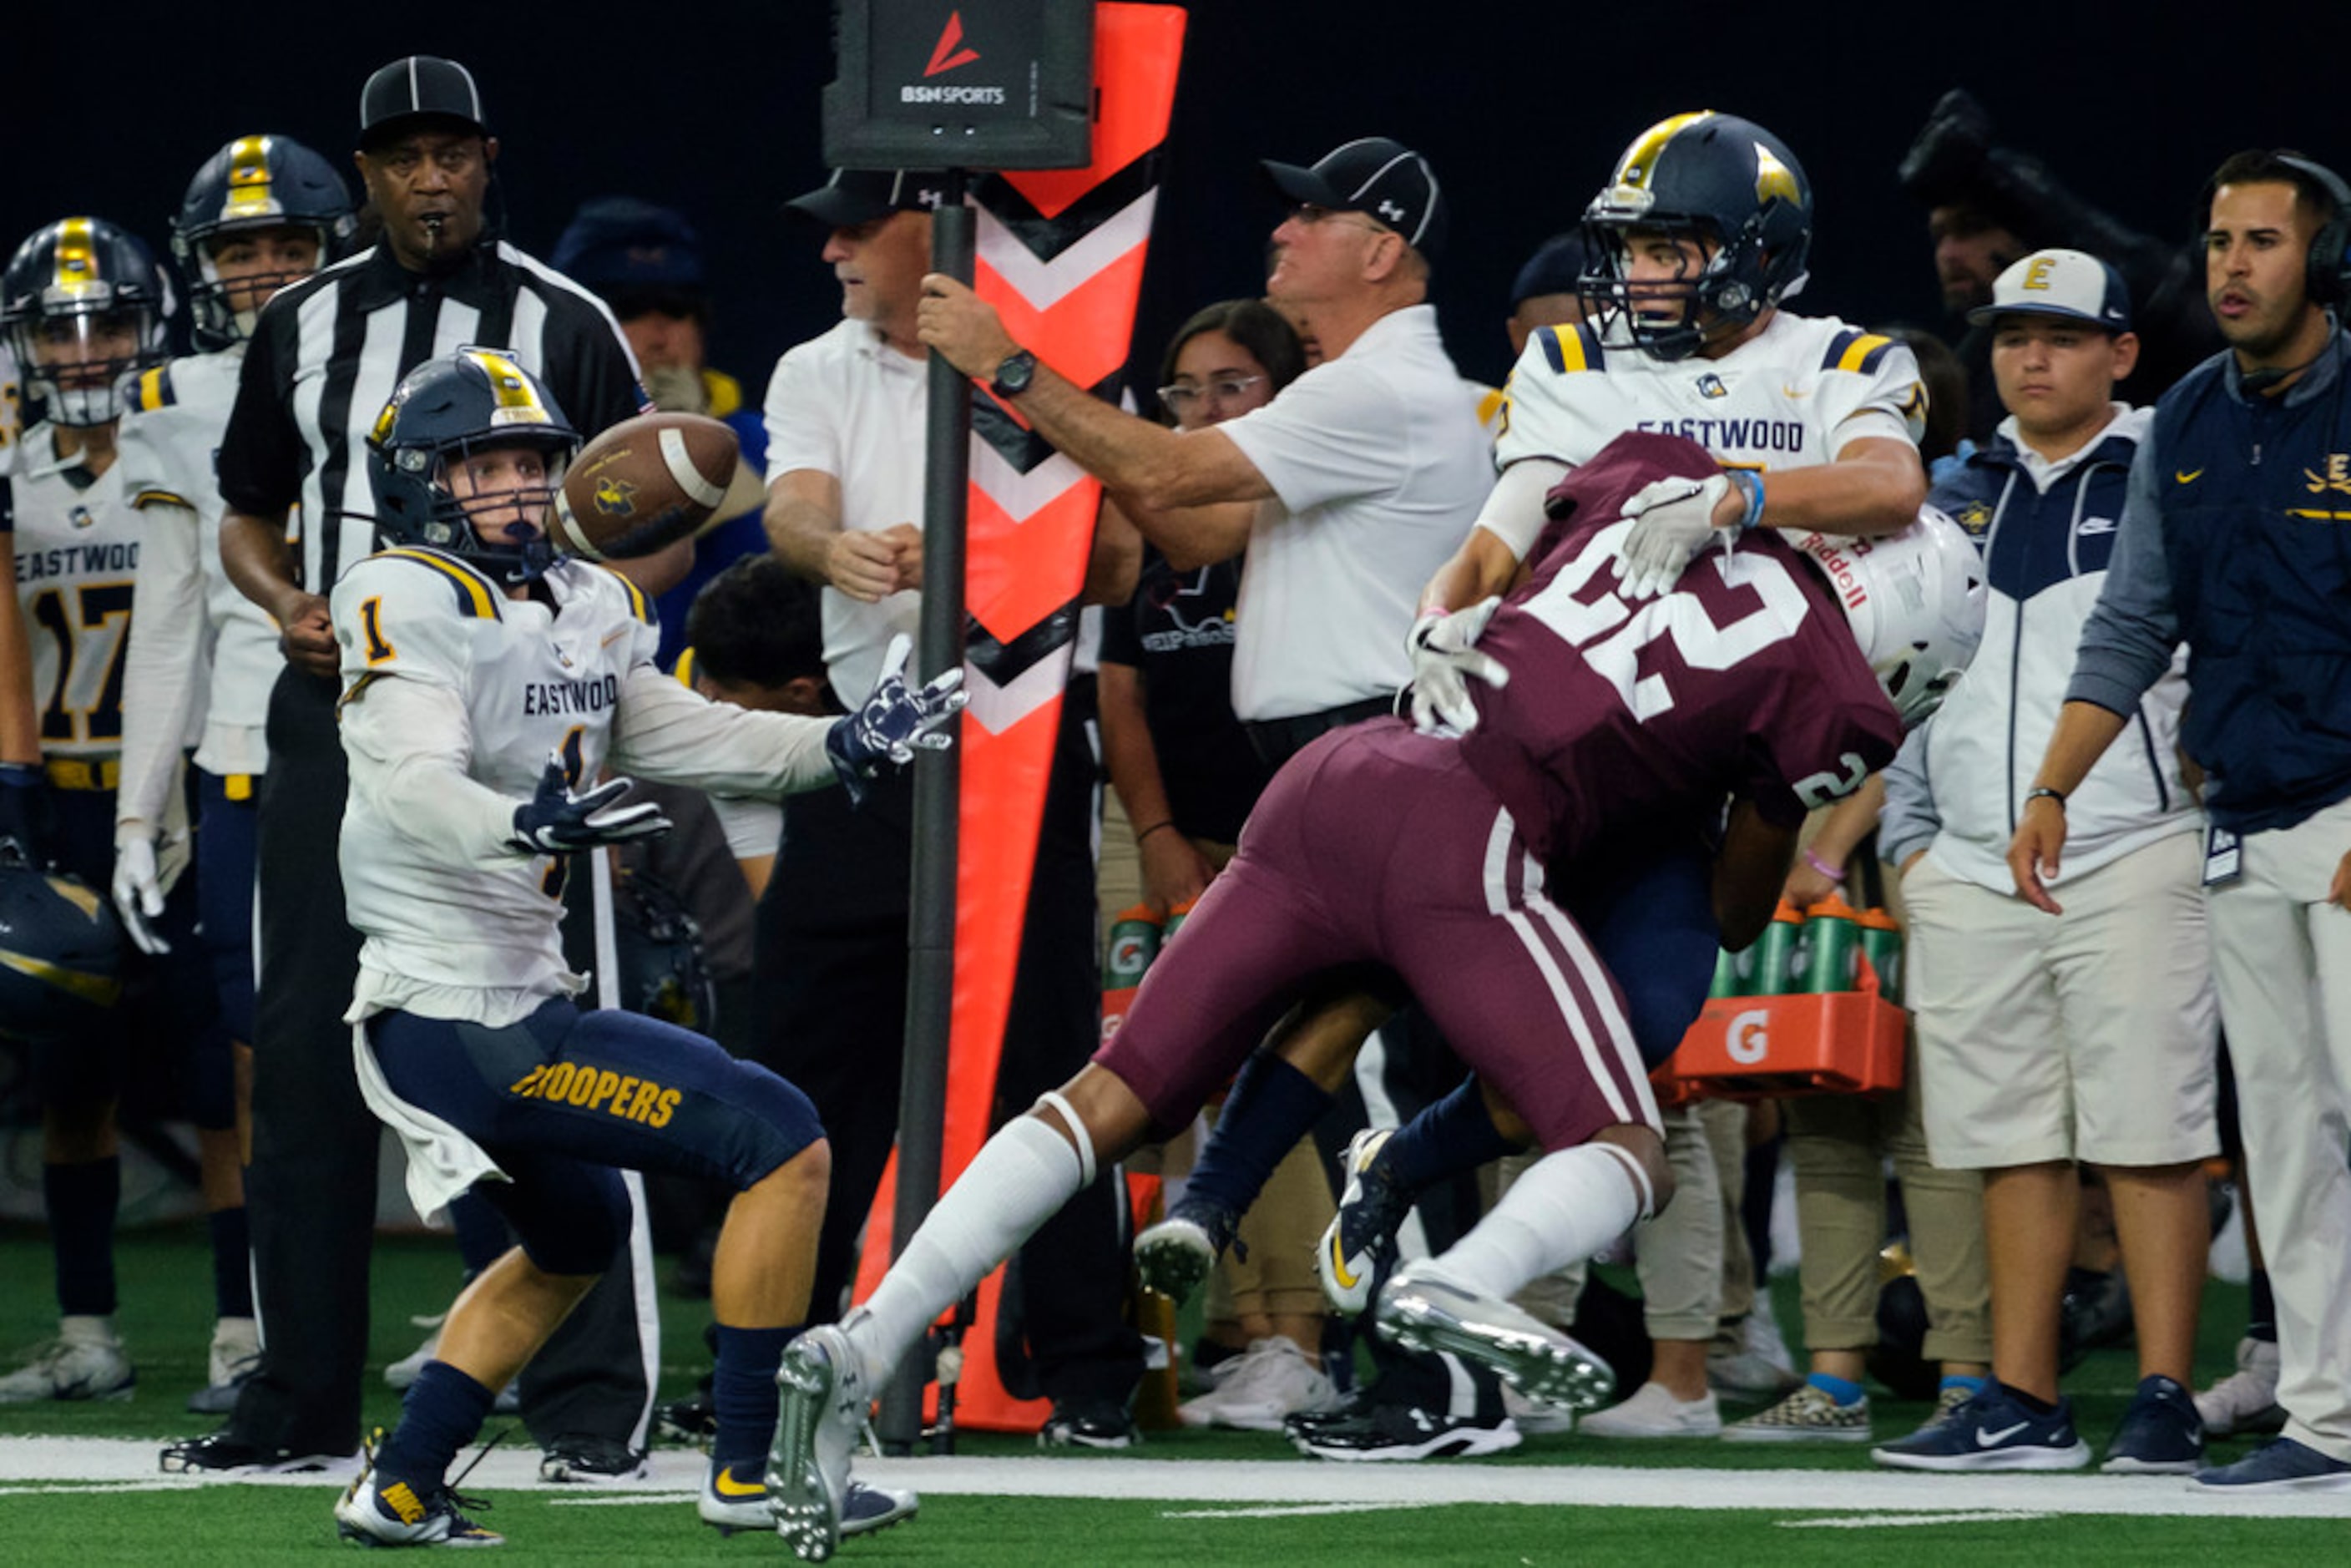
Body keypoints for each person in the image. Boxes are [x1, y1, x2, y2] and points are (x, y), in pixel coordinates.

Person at [766, 432, 1974, 1560]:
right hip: (1471, 830)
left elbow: (1519, 541)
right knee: (1622, 1142)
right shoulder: (1841, 696)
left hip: (1339, 771)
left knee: (1105, 1097)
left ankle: (866, 1335)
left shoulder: (1656, 472)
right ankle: (1464, 1276)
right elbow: (1735, 906)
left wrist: (1452, 614)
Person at [1292, 110, 1938, 1446]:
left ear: (1758, 254)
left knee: (1626, 1049)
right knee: (1425, 1012)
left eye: (1673, 244)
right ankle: (1409, 1316)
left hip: (1726, 764)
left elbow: (1890, 484)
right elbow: (1497, 536)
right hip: (1569, 755)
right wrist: (1443, 609)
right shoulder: (1575, 363)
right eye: (1633, 244)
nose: (1642, 272)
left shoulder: (1843, 358)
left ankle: (1412, 1187)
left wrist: (1739, 497)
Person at [925, 134, 1514, 1459]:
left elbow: (1180, 477)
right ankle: (1417, 1369)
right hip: (1340, 756)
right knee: (1337, 1070)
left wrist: (1011, 368)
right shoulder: (1367, 389)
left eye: (1315, 216)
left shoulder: (1387, 387)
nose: (1284, 233)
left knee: (1366, 1078)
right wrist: (1052, 433)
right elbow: (1185, 532)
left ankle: (1448, 1383)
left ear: (1385, 252)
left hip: (1379, 742)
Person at [321, 348, 952, 1546]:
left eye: (529, 464)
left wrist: (846, 742)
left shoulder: (587, 603)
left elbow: (697, 735)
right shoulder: (405, 593)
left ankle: (400, 1485)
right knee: (786, 1141)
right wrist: (521, 820)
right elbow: (409, 780)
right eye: (483, 467)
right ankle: (752, 1469)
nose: (515, 489)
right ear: (417, 482)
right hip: (458, 1009)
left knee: (576, 1238)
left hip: (509, 999)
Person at [163, 55, 670, 1483]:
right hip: (338, 718)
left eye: (452, 153)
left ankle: (588, 1403)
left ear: (488, 161)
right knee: (309, 1050)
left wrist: (574, 652)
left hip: (516, 725)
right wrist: (282, 603)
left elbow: (636, 513)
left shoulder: (563, 322)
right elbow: (249, 512)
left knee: (555, 1041)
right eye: (403, 158)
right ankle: (300, 1394)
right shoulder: (304, 323)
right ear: (368, 175)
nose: (429, 179)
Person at [759, 165, 1144, 1445]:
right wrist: (834, 550)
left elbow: (1121, 556)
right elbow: (792, 504)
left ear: (940, 227)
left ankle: (1086, 1370)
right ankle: (770, 1359)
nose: (836, 257)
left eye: (856, 230)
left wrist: (980, 571)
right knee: (811, 1064)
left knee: (1046, 1060)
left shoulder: (1058, 343)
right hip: (868, 747)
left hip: (1026, 740)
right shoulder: (817, 366)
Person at [2008, 149, 2351, 1494]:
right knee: (2284, 1129)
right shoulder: (2191, 419)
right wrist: (2053, 787)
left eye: (2264, 240)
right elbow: (2136, 618)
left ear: (2322, 261)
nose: (2232, 265)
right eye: (2218, 239)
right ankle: (2328, 1415)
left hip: (2345, 809)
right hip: (2248, 812)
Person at [1873, 248, 2216, 1474]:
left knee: (2148, 1128)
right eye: (2015, 334)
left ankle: (2168, 1390)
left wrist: (2199, 797)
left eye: (2064, 336)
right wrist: (1911, 842)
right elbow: (1911, 673)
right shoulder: (1947, 486)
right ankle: (2022, 1395)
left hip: (2134, 842)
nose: (2032, 356)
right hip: (1967, 854)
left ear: (2120, 353)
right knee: (2006, 1134)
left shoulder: (2172, 465)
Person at [109, 134, 354, 1416]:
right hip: (249, 763)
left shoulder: (397, 354)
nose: (262, 268)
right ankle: (257, 1316)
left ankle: (507, 1292)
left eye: (286, 244)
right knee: (258, 1051)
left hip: (391, 747)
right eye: (239, 247)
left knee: (444, 1023)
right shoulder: (176, 399)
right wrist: (142, 810)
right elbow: (170, 626)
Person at [0, 215, 230, 1409]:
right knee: (72, 1079)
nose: (86, 351)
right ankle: (88, 1325)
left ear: (155, 326)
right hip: (63, 813)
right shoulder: (16, 483)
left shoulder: (181, 452)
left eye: (109, 324)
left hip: (182, 804)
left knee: (220, 1069)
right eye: (58, 326)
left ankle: (244, 1325)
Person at [1097, 298, 1331, 1432]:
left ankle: (1294, 1335)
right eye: (1184, 392)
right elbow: (1121, 681)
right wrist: (1153, 833)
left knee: (1253, 1075)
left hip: (1289, 834)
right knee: (1140, 1077)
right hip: (1162, 828)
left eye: (1231, 386)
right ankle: (1195, 1340)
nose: (1201, 411)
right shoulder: (1147, 508)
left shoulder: (1314, 499)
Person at [548, 196, 770, 665]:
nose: (659, 336)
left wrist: (690, 441)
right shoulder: (531, 455)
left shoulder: (764, 445)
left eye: (676, 308)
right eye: (628, 310)